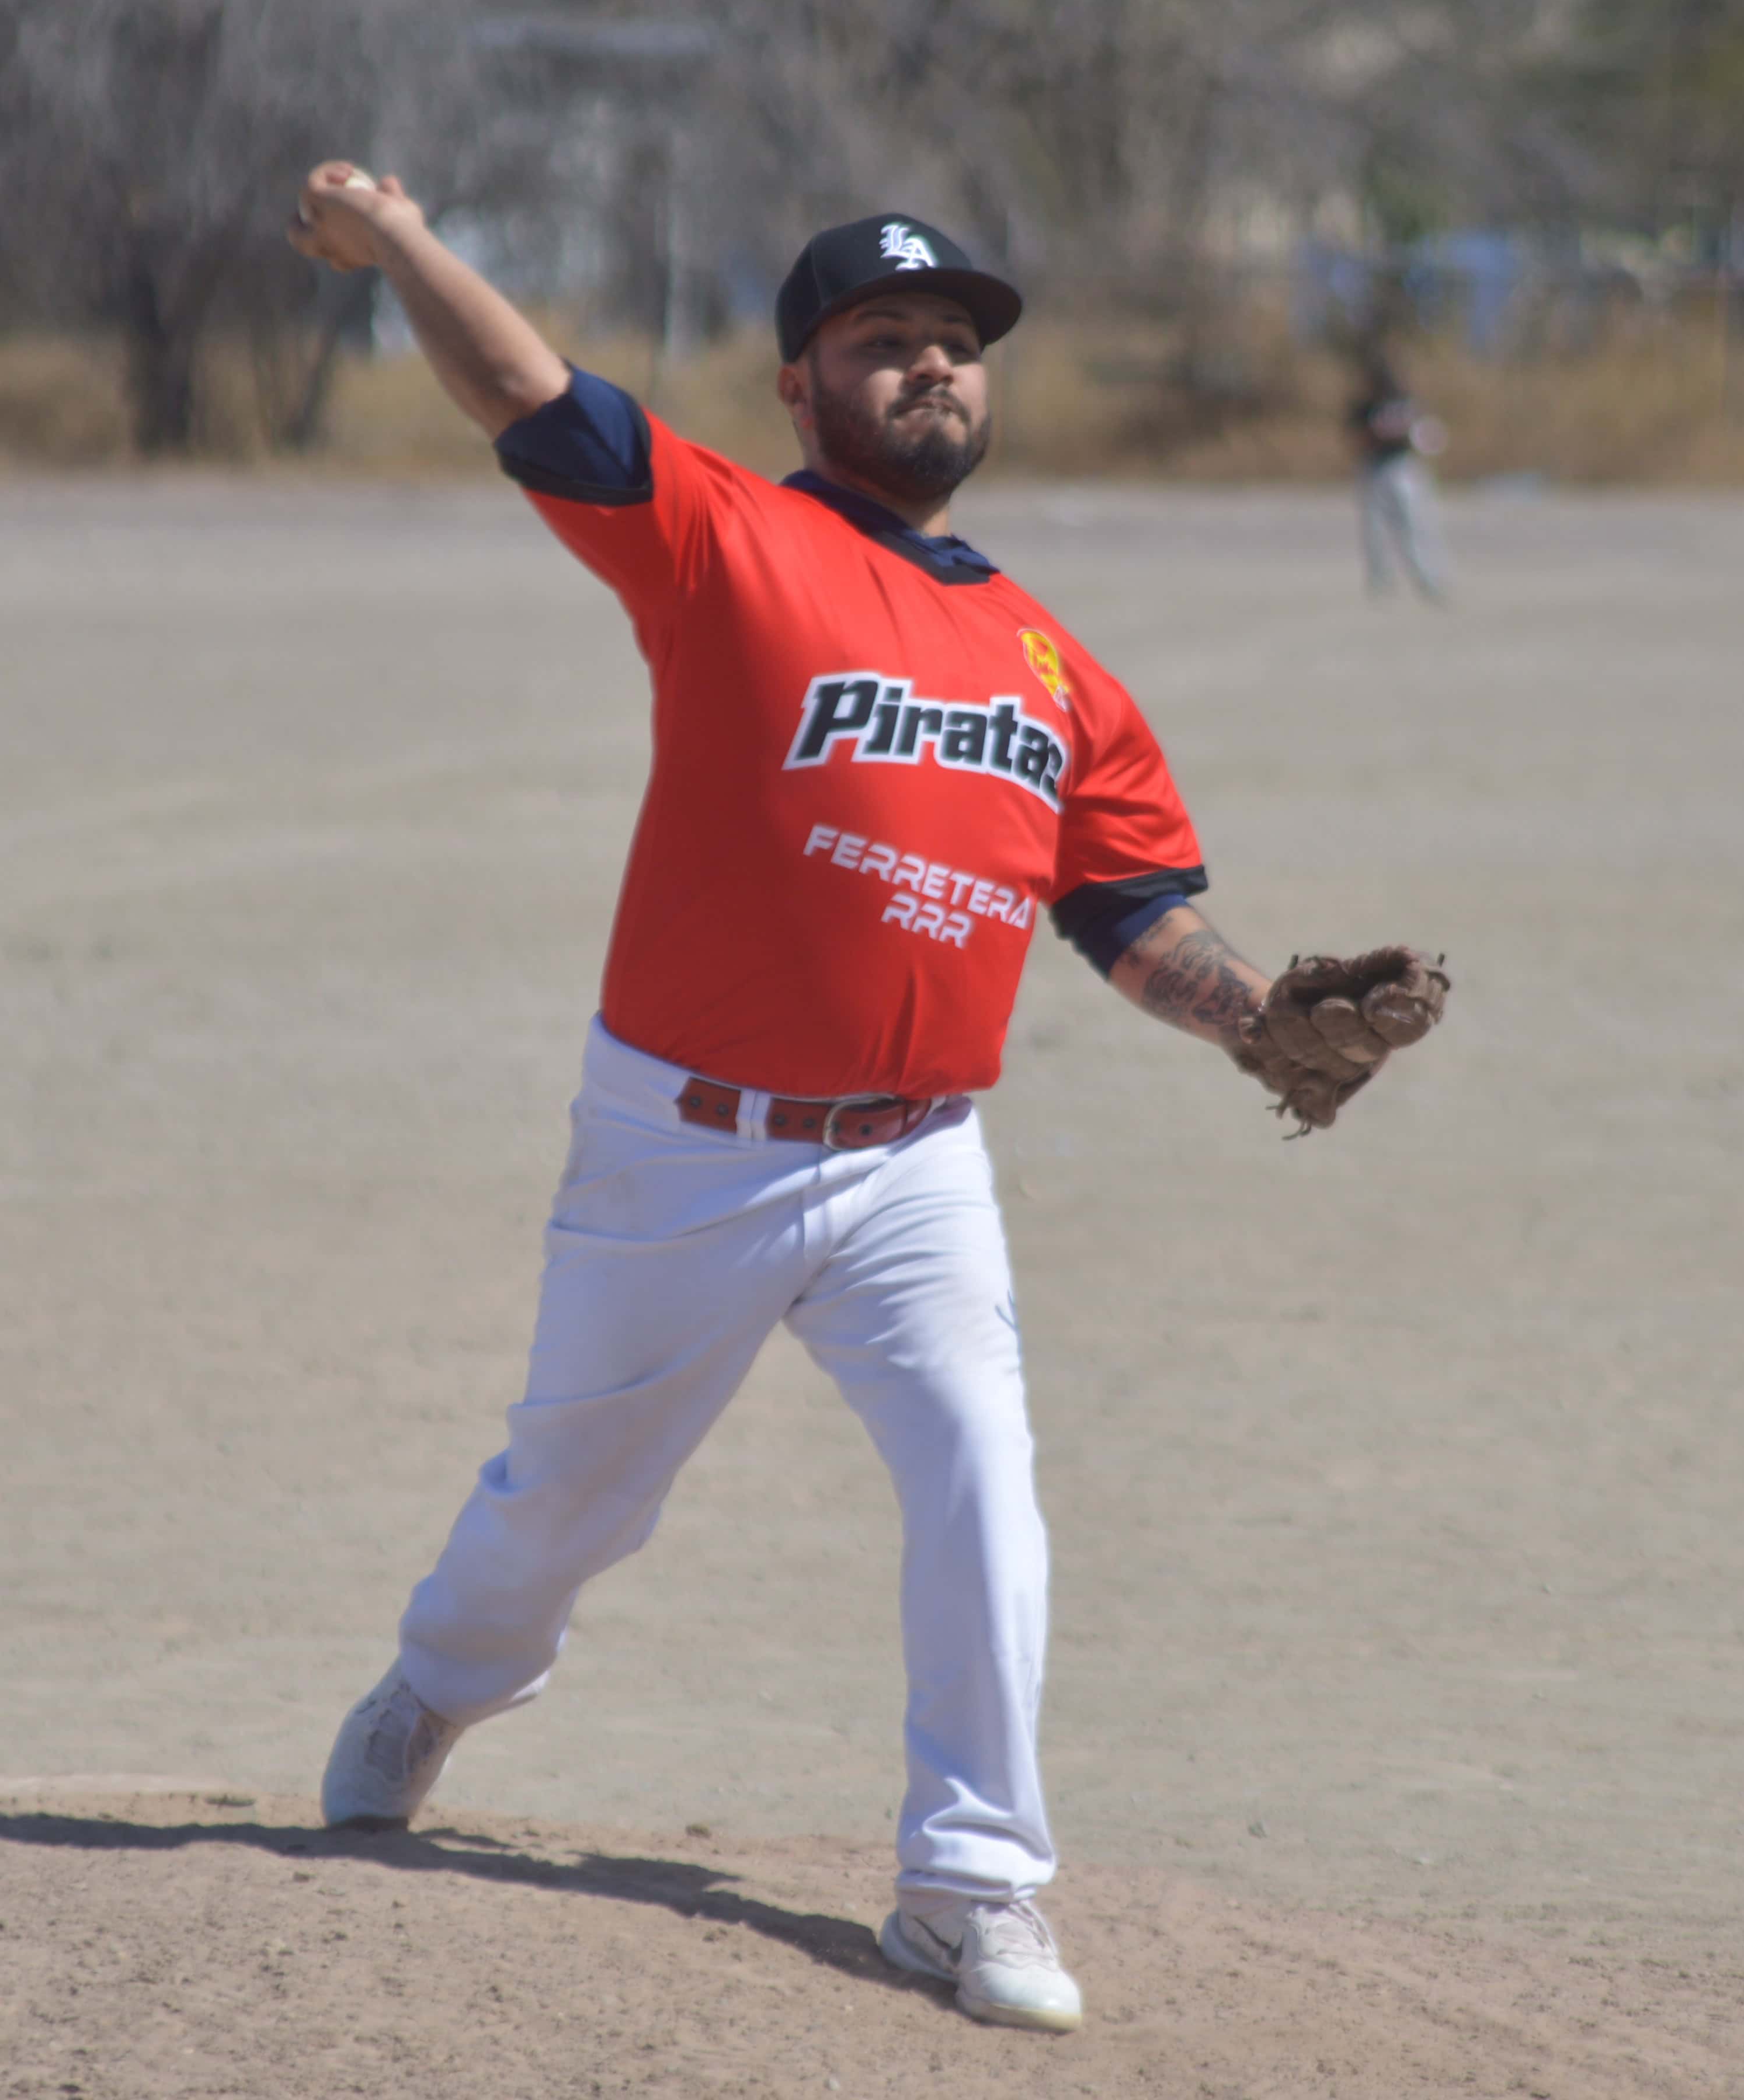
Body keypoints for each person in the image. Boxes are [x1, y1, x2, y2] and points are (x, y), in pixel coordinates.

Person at [285, 164, 1444, 2034]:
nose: (931, 368)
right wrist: (404, 242)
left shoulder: (1053, 666)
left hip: (917, 1158)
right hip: (686, 1143)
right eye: (881, 341)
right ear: (801, 387)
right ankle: (442, 1680)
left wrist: (1258, 1019)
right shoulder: (719, 536)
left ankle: (970, 1883)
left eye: (955, 345)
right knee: (566, 1501)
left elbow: (1132, 916)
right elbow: (528, 394)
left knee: (985, 1482)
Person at [1350, 359, 1454, 602]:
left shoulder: (1406, 404)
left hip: (1403, 466)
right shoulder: (1367, 406)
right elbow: (1356, 436)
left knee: (1415, 523)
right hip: (1374, 468)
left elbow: (1427, 434)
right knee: (1374, 529)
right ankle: (1381, 582)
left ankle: (1430, 578)